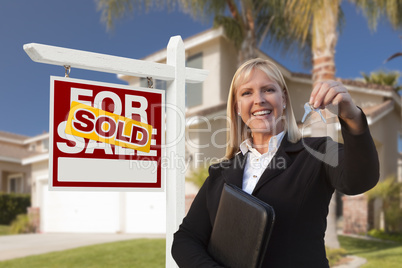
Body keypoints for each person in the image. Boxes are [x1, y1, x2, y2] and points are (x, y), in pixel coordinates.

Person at [171, 58, 379, 267]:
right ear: (236, 106)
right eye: (246, 93)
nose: (259, 99)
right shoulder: (220, 173)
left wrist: (352, 117)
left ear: (284, 98)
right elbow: (186, 239)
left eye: (268, 89)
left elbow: (359, 179)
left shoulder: (318, 151)